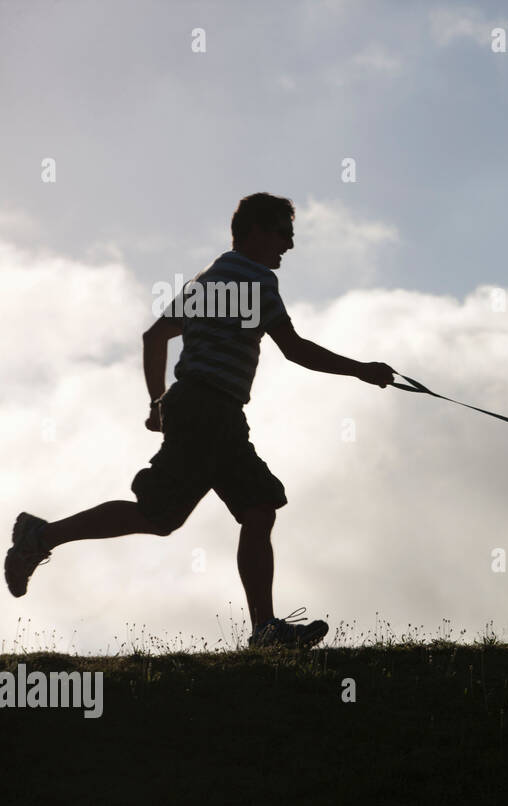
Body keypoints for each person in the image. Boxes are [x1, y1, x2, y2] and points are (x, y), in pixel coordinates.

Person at [5, 193, 395, 648]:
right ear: (255, 231)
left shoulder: (206, 281)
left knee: (251, 510)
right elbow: (294, 348)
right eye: (283, 233)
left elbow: (155, 337)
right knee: (173, 515)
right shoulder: (256, 282)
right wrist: (361, 369)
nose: (289, 245)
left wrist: (157, 401)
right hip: (209, 411)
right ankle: (40, 536)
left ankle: (265, 629)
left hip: (210, 411)